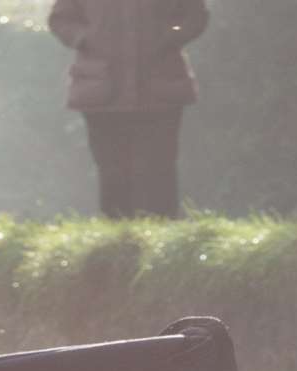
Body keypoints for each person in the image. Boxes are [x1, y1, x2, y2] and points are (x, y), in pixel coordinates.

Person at [48, 0, 209, 219]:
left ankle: (161, 232)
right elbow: (61, 19)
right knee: (112, 168)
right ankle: (117, 231)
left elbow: (195, 16)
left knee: (160, 165)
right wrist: (87, 39)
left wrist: (168, 37)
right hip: (103, 89)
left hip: (157, 87)